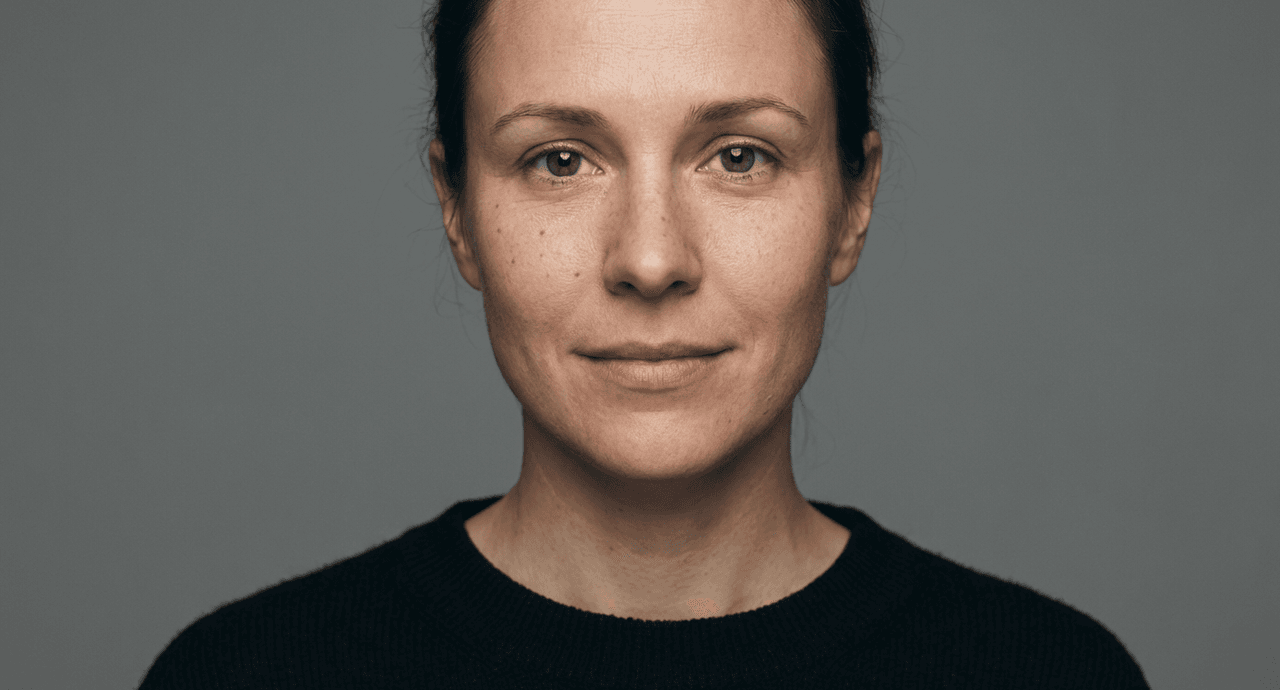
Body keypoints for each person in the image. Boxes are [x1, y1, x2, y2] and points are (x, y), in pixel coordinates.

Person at [139, 0, 1150, 687]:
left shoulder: (1046, 675)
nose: (652, 258)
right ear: (456, 211)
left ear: (853, 201)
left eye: (739, 155)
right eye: (560, 160)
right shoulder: (248, 675)